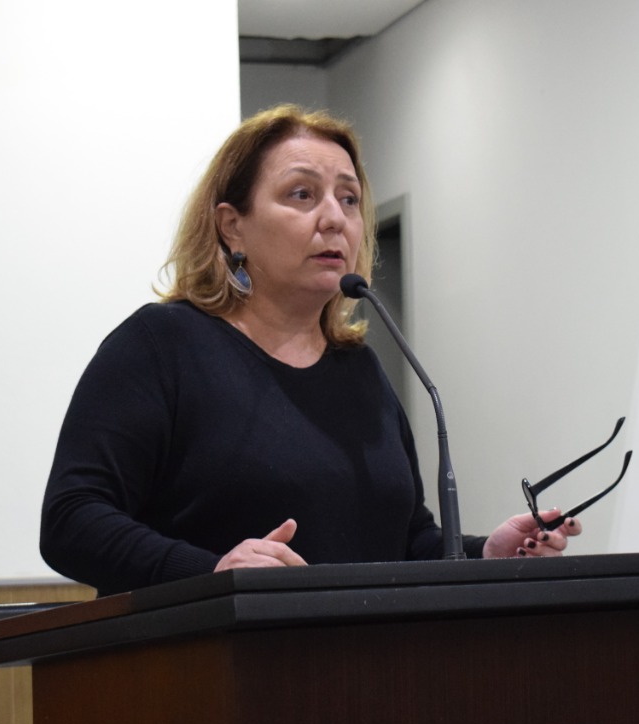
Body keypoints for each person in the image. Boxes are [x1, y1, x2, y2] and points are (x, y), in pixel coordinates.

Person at [40, 105, 580, 596]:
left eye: (348, 199)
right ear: (232, 227)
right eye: (302, 194)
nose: (334, 218)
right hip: (209, 659)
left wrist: (485, 554)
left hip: (357, 662)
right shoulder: (162, 346)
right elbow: (71, 519)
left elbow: (406, 538)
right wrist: (211, 575)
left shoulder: (359, 369)